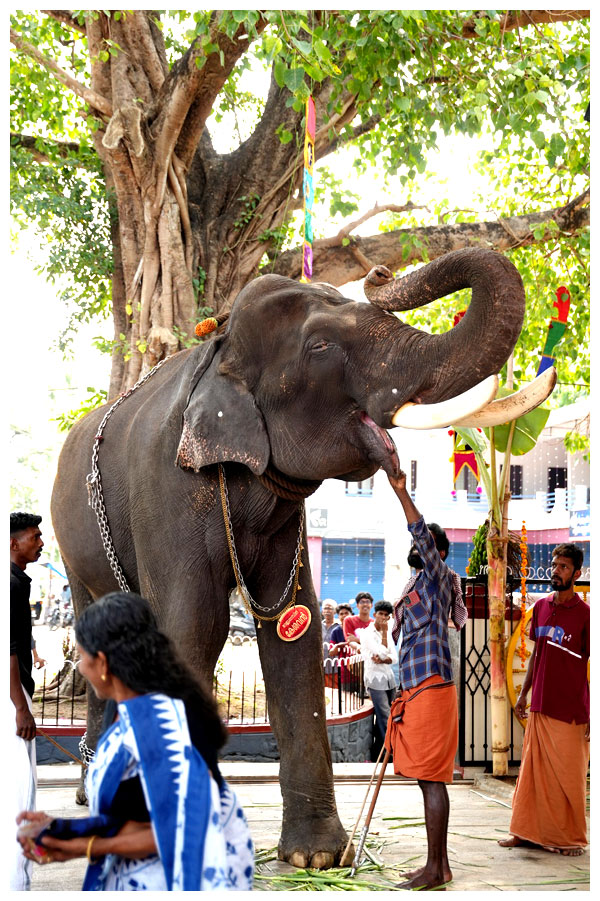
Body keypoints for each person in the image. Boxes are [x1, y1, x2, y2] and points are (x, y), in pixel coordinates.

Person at [17, 591, 254, 891]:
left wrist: (84, 848)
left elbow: (180, 828)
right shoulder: (124, 710)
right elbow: (135, 810)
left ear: (102, 663)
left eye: (81, 656)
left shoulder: (156, 724)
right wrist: (63, 829)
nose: (79, 667)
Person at [385, 472, 467, 890]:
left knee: (433, 778)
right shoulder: (414, 584)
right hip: (417, 690)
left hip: (433, 688)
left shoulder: (436, 579)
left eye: (424, 543)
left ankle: (436, 869)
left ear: (435, 552)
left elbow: (418, 529)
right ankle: (438, 865)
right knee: (425, 778)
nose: (415, 547)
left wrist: (402, 491)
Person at [498, 543, 589, 856]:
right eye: (555, 565)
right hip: (540, 703)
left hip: (572, 708)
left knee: (569, 777)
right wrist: (523, 694)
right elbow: (538, 653)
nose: (556, 571)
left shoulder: (587, 616)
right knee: (532, 775)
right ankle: (525, 833)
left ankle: (570, 838)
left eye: (564, 567)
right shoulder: (541, 608)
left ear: (577, 573)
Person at [10, 511, 44, 890]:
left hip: (15, 696)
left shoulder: (18, 581)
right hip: (13, 700)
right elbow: (9, 648)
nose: (40, 543)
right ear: (13, 543)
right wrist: (20, 707)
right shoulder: (11, 584)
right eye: (34, 537)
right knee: (21, 794)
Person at [358, 600, 398, 741]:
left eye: (386, 615)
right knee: (385, 715)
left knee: (392, 715)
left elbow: (394, 657)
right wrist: (385, 634)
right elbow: (381, 654)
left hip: (389, 679)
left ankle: (380, 749)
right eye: (380, 614)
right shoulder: (367, 633)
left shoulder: (387, 632)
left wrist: (385, 659)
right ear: (374, 614)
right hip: (375, 680)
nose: (382, 617)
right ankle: (389, 750)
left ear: (389, 617)